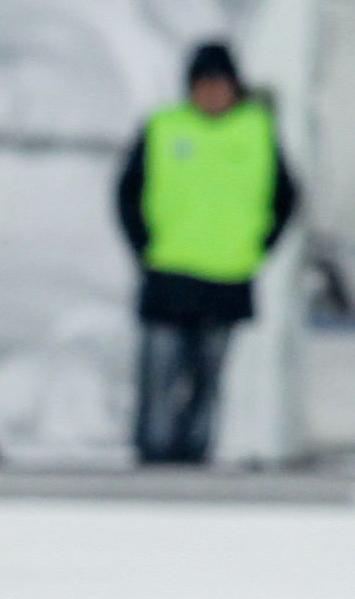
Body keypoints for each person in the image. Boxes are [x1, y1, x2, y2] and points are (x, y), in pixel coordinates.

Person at [115, 41, 298, 467]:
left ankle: (194, 457)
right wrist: (144, 245)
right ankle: (154, 457)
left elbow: (286, 198)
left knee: (209, 379)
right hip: (169, 273)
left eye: (220, 85)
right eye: (204, 85)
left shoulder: (256, 130)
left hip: (227, 276)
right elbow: (127, 193)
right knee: (159, 377)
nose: (213, 94)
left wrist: (256, 247)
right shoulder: (164, 127)